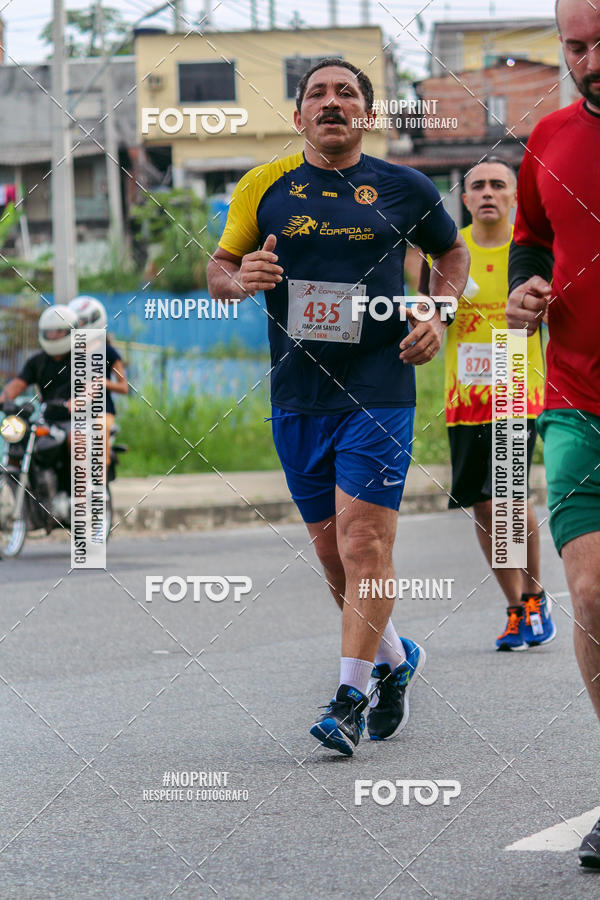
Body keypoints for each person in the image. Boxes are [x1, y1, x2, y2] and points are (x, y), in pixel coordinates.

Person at [207, 58, 470, 756]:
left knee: (364, 544)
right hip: (298, 393)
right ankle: (394, 660)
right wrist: (240, 278)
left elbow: (452, 253)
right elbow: (218, 270)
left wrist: (439, 315)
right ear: (298, 117)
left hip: (380, 385)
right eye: (317, 94)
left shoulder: (404, 187)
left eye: (346, 93)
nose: (332, 102)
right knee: (333, 559)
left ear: (367, 114)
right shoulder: (263, 186)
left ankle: (350, 698)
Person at [506, 0, 600, 868]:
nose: (590, 57)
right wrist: (525, 294)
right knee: (595, 596)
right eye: (576, 45)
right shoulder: (549, 139)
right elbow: (533, 239)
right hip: (576, 402)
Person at [419, 158, 553, 651]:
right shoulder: (453, 252)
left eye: (499, 184)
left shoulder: (531, 251)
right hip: (465, 397)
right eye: (478, 186)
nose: (488, 193)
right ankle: (515, 606)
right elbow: (427, 315)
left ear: (516, 196)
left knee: (510, 501)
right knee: (482, 506)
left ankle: (536, 595)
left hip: (520, 387)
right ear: (466, 198)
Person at [68, 295, 128, 467]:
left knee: (99, 431)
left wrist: (102, 382)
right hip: (74, 409)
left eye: (81, 321)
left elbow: (124, 387)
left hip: (103, 410)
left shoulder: (109, 352)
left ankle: (98, 487)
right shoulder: (69, 352)